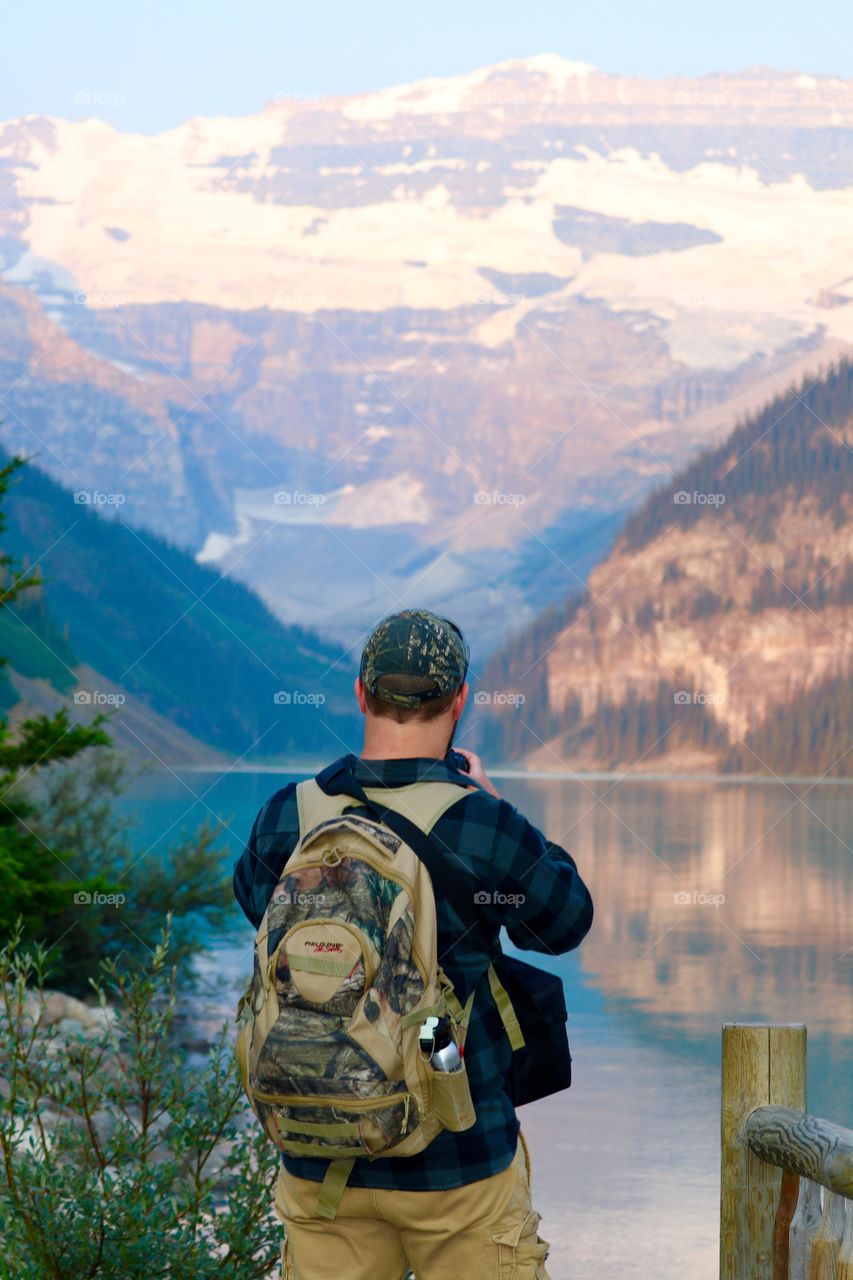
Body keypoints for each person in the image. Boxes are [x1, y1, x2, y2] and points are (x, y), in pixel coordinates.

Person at [233, 608, 594, 1279]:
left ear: (360, 693)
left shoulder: (289, 813)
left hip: (320, 1150)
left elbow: (259, 914)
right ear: (460, 700)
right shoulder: (481, 822)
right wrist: (491, 802)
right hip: (457, 1156)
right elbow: (562, 923)